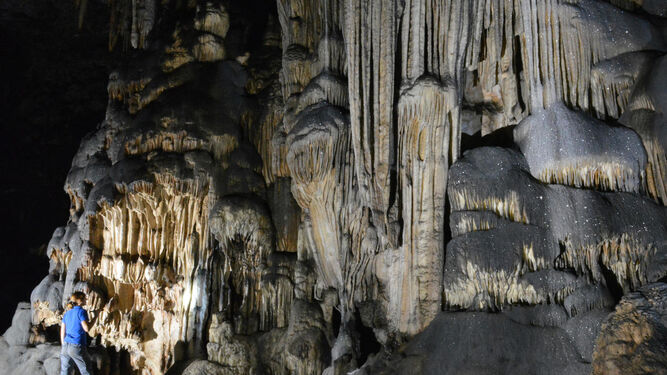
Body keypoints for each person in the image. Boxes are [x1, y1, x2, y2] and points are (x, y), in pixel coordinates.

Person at [60, 291, 91, 375]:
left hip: (65, 345)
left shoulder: (67, 313)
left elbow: (62, 331)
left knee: (65, 372)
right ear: (79, 300)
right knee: (86, 371)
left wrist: (64, 344)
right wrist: (96, 317)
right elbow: (86, 328)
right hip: (76, 345)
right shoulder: (81, 311)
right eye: (84, 298)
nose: (86, 300)